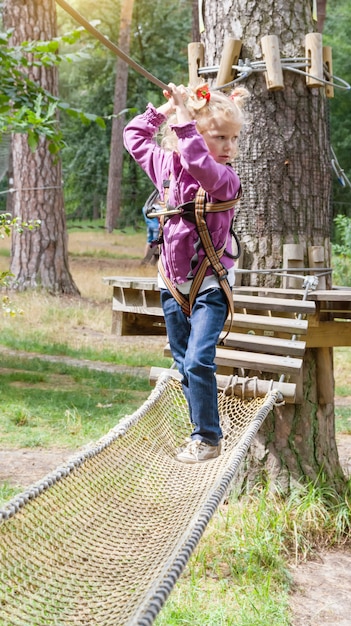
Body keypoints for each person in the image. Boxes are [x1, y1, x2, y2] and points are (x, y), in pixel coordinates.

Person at [123, 81, 249, 463]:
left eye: (233, 138)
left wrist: (183, 116)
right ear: (195, 130)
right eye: (220, 137)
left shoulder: (224, 180)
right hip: (171, 287)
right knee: (183, 365)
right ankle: (202, 429)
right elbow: (133, 135)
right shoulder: (165, 165)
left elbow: (198, 160)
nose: (229, 147)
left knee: (197, 361)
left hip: (208, 287)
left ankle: (208, 437)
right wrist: (167, 110)